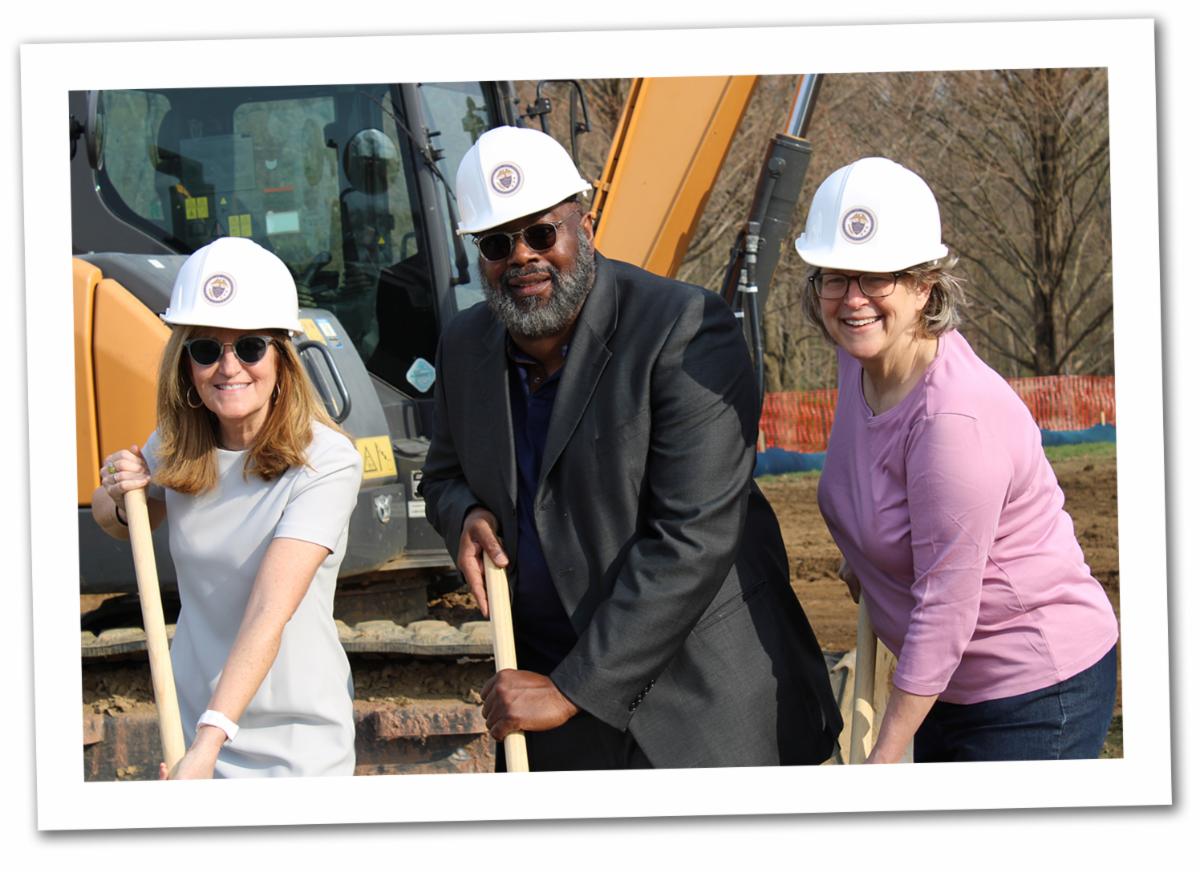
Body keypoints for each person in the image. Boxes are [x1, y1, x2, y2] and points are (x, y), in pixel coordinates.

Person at [421, 126, 842, 771]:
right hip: (549, 720)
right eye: (498, 243)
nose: (523, 257)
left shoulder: (684, 329)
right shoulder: (464, 346)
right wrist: (465, 516)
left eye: (542, 233)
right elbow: (443, 475)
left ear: (584, 226)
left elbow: (694, 536)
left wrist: (572, 689)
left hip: (696, 716)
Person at [794, 156, 1119, 763]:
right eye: (836, 277)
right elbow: (877, 484)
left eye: (877, 278)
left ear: (925, 285)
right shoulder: (859, 358)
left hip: (1030, 688)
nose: (853, 299)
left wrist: (884, 757)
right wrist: (866, 558)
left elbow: (945, 609)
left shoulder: (952, 423)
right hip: (943, 683)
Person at [92, 237, 363, 778]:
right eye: (207, 350)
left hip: (296, 745)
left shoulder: (327, 461)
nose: (228, 366)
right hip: (194, 730)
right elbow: (115, 519)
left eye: (250, 347)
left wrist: (209, 743)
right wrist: (120, 494)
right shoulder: (178, 445)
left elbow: (268, 610)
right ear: (187, 363)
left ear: (282, 357)